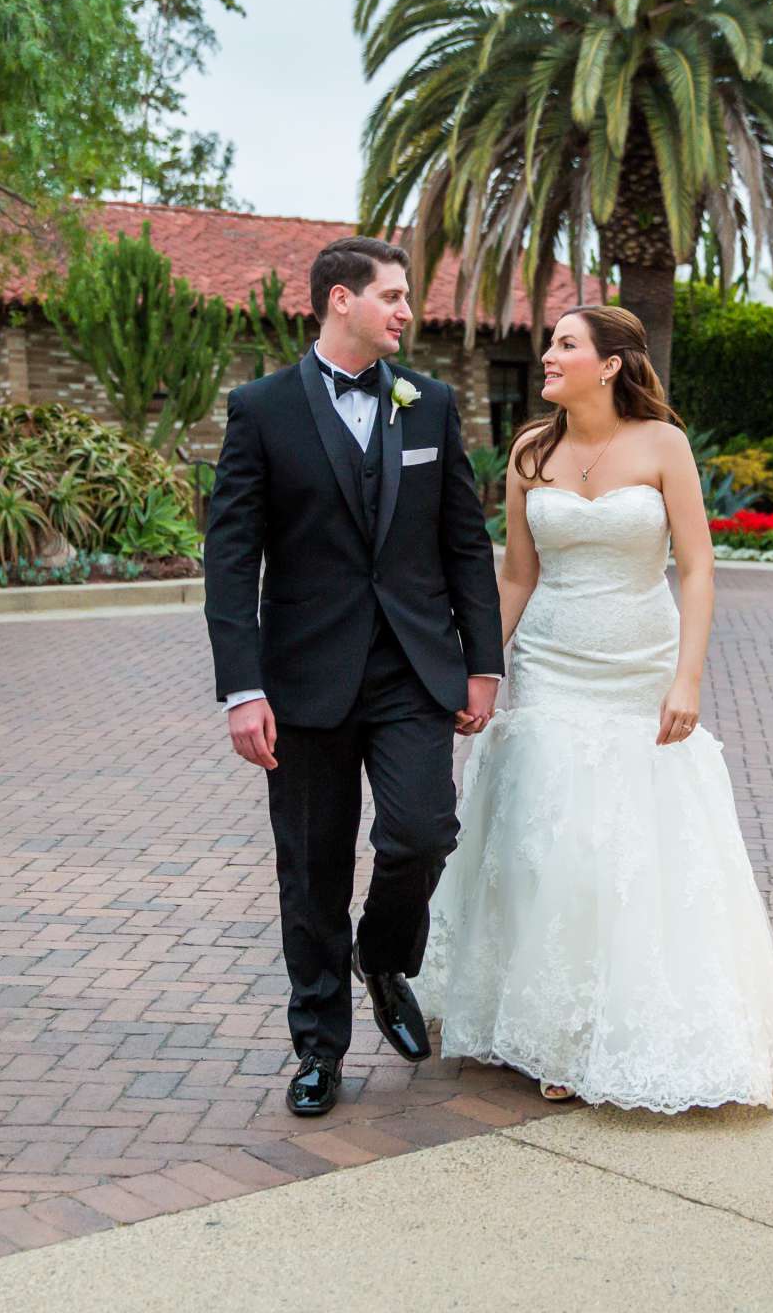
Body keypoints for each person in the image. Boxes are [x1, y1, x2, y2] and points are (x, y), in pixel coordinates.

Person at [415, 305, 773, 1112]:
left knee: (626, 841)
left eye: (566, 344)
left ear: (610, 365)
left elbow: (697, 570)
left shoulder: (664, 445)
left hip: (640, 665)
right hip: (553, 666)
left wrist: (688, 679)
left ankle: (611, 1020)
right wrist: (480, 671)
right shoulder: (533, 451)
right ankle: (553, 1030)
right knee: (551, 839)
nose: (548, 356)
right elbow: (518, 576)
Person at [204, 236, 503, 1117]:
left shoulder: (430, 404)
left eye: (407, 298)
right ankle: (318, 1049)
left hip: (412, 669)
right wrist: (242, 687)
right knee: (313, 869)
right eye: (393, 296)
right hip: (302, 682)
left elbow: (462, 542)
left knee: (422, 832)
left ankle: (385, 956)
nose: (408, 312)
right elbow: (231, 558)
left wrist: (481, 661)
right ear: (341, 301)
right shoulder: (261, 410)